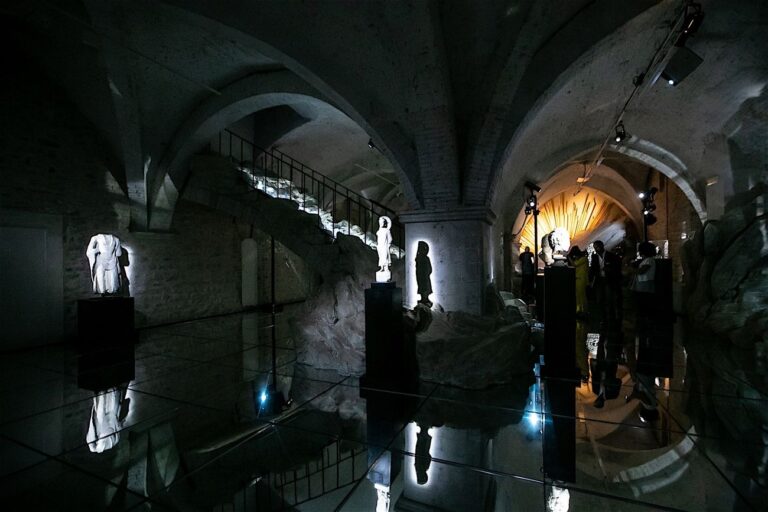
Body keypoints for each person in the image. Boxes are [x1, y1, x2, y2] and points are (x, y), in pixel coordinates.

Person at [627, 241, 660, 422]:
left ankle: (645, 327)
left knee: (644, 310)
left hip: (646, 289)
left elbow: (641, 272)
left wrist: (634, 396)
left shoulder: (650, 262)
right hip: (643, 289)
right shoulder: (652, 400)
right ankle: (644, 328)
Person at [588, 240, 623, 408]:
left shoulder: (611, 256)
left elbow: (616, 268)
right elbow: (593, 270)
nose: (596, 250)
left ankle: (609, 319)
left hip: (609, 281)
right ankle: (604, 318)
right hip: (600, 282)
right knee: (601, 301)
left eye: (597, 247)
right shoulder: (595, 258)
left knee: (609, 301)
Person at [567, 246, 588, 316]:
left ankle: (584, 311)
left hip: (581, 279)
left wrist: (569, 257)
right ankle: (579, 310)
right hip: (577, 279)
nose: (574, 256)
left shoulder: (584, 259)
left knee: (581, 295)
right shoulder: (578, 259)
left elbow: (574, 265)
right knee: (577, 296)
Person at [415, 241, 433, 306]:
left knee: (425, 287)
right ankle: (424, 299)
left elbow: (430, 269)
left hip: (424, 276)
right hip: (422, 276)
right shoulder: (420, 258)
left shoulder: (422, 258)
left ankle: (425, 299)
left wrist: (427, 273)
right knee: (423, 287)